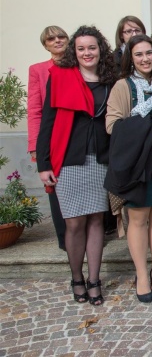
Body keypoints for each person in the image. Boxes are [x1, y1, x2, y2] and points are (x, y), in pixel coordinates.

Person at [37, 25, 118, 306]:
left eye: (92, 47)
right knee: (74, 223)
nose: (87, 53)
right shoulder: (59, 76)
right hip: (69, 159)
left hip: (100, 158)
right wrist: (43, 163)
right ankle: (77, 277)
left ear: (100, 49)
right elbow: (47, 121)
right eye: (81, 48)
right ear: (74, 51)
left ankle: (94, 279)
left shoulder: (110, 78)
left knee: (96, 219)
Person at [105, 34, 152, 303]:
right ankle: (142, 274)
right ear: (130, 58)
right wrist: (151, 132)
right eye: (139, 55)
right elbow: (112, 125)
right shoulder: (123, 87)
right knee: (138, 219)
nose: (145, 59)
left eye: (149, 53)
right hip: (137, 163)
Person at [28, 25, 69, 251]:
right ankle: (64, 238)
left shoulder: (77, 64)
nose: (57, 41)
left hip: (73, 135)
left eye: (61, 36)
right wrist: (35, 145)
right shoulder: (39, 70)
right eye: (51, 39)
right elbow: (34, 110)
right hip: (50, 137)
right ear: (45, 44)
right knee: (54, 186)